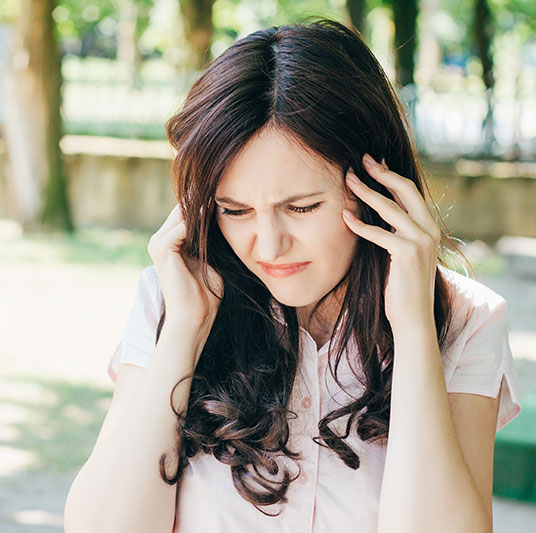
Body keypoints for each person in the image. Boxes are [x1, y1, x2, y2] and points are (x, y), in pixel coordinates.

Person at [64, 18, 522, 533]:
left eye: (301, 207)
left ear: (378, 188)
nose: (269, 245)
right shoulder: (172, 297)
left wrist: (412, 327)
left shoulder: (463, 319)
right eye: (234, 211)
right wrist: (184, 331)